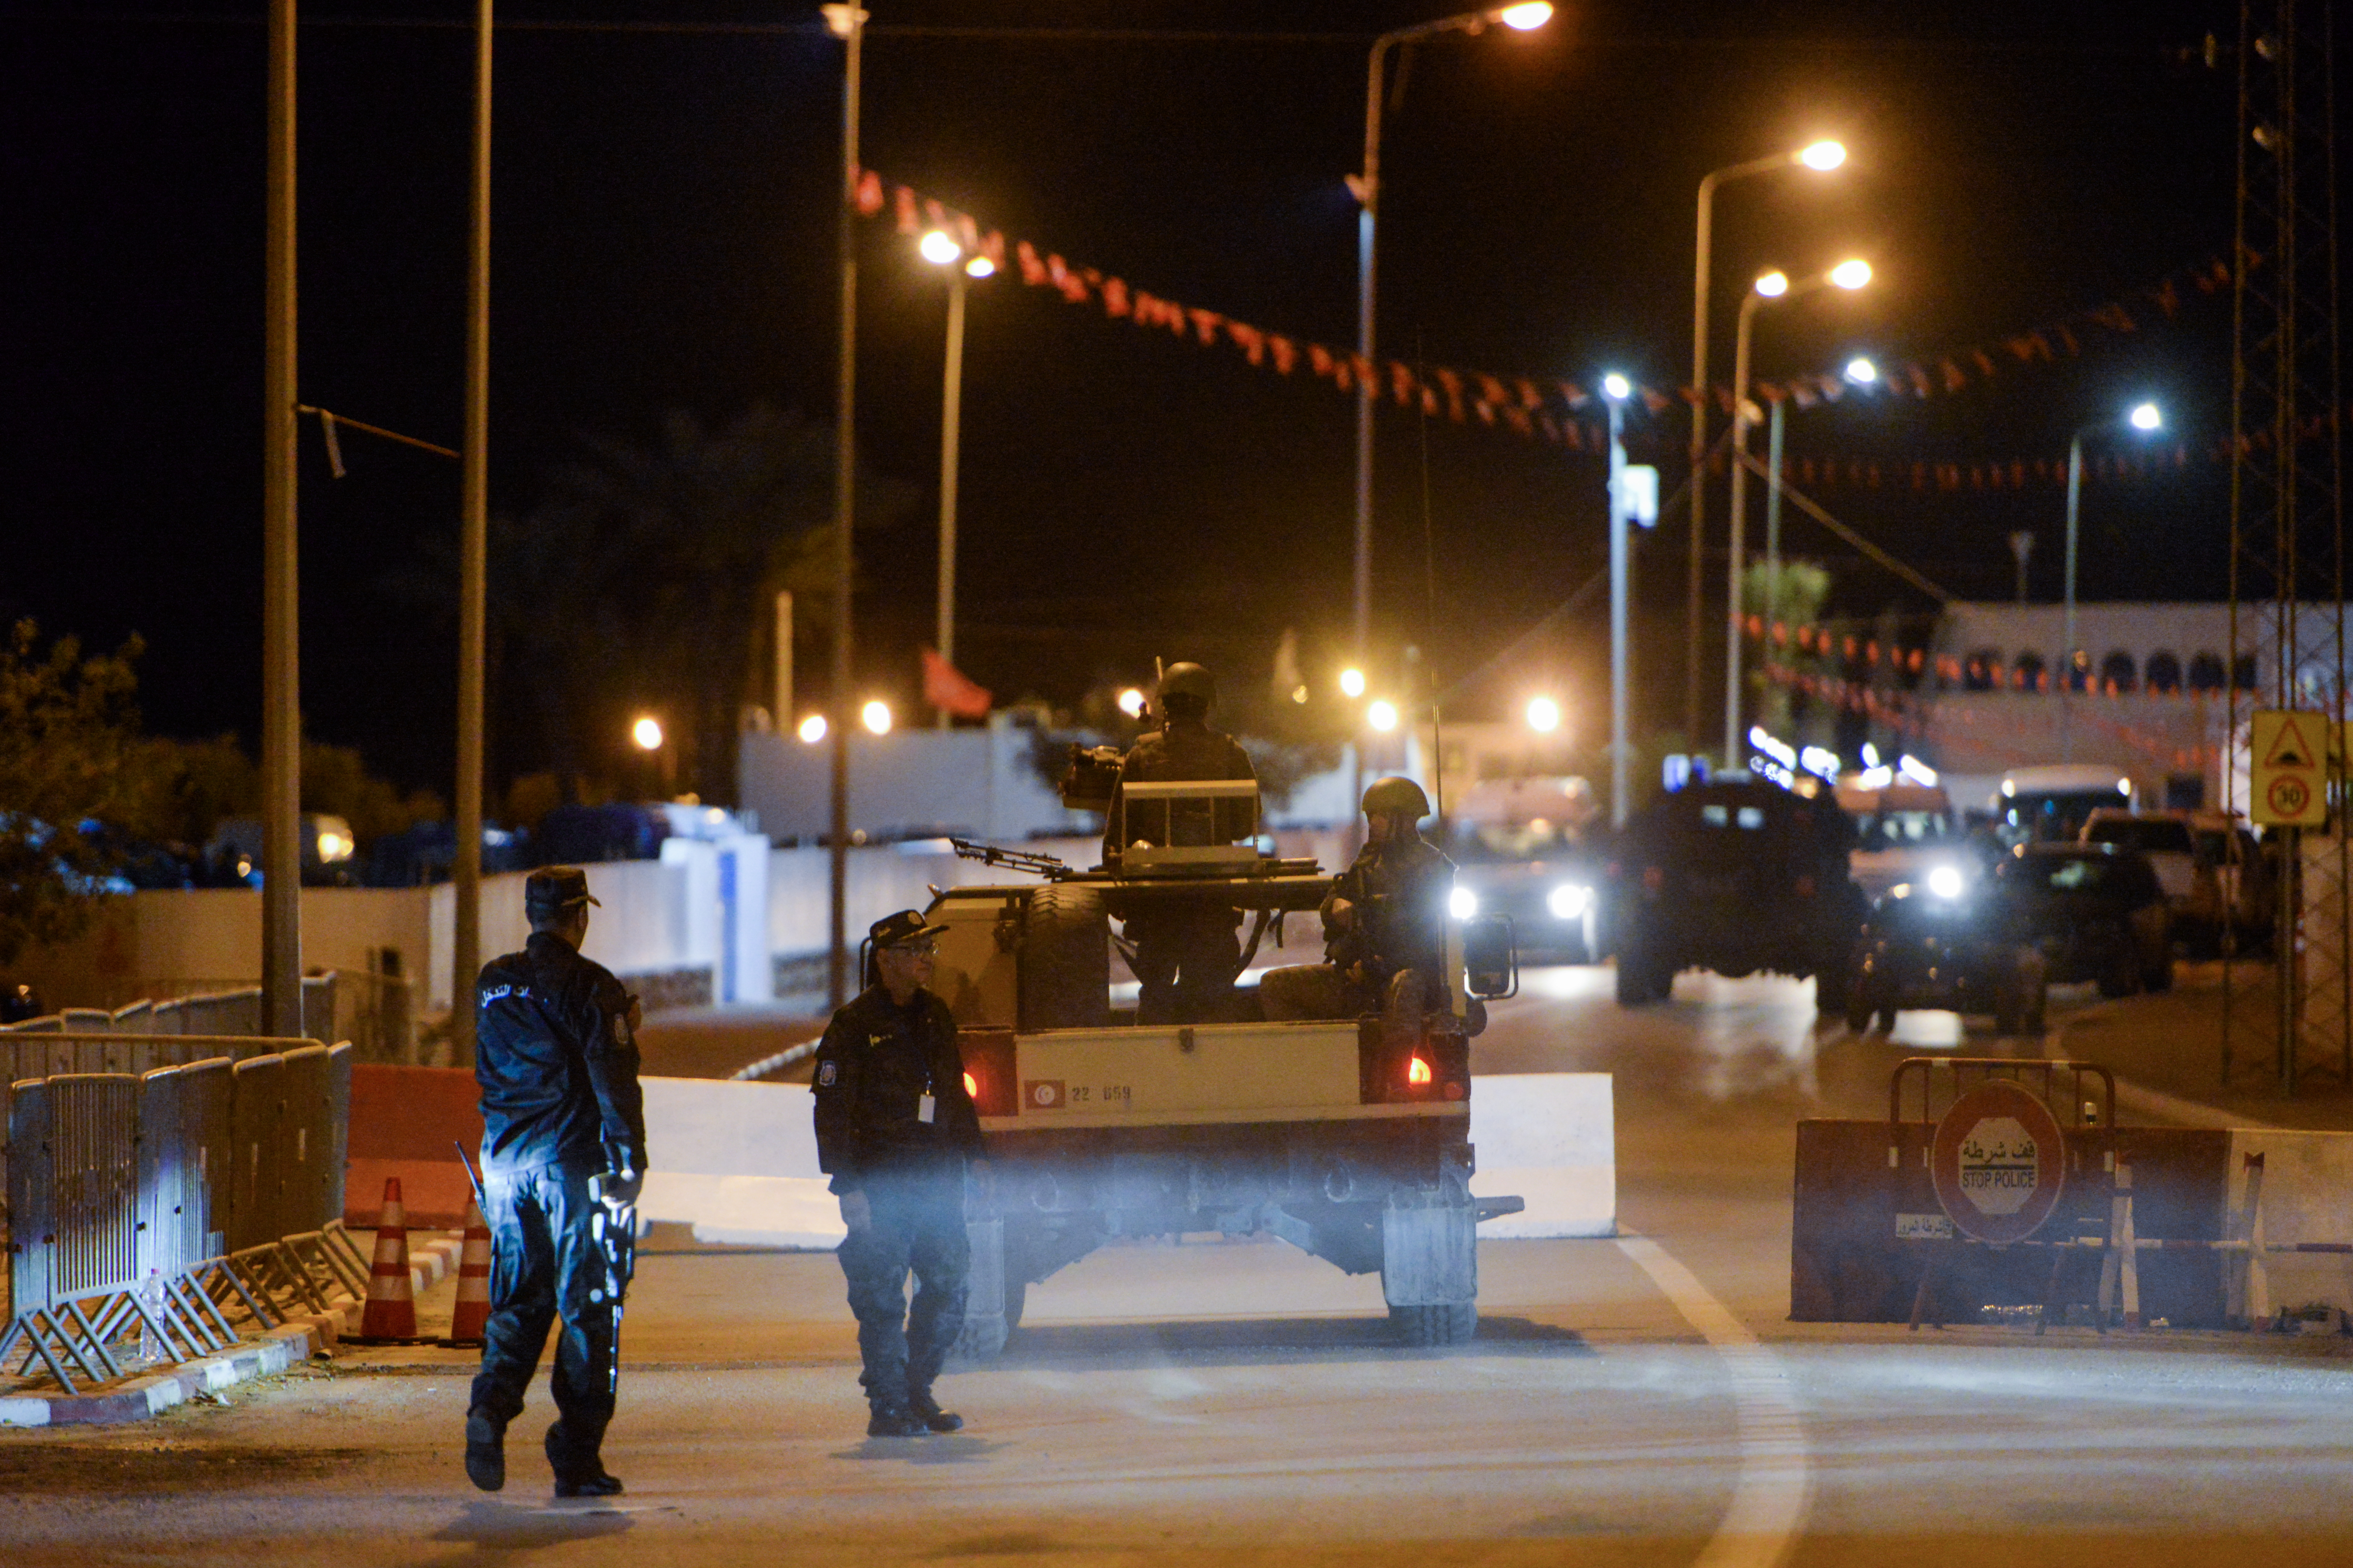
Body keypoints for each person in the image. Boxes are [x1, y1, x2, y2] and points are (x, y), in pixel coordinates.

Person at [464, 866, 645, 1498]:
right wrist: (630, 1162)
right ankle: (576, 1455)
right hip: (571, 1166)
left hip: (505, 1164)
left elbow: (500, 1064)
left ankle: (488, 1409)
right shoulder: (592, 986)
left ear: (529, 913)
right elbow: (611, 1079)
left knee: (518, 1302)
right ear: (580, 916)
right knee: (589, 1305)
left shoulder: (493, 982)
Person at [812, 910, 986, 1438]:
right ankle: (887, 1406)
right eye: (915, 951)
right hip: (882, 1181)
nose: (926, 960)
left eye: (929, 950)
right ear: (885, 959)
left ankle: (917, 1391)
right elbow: (832, 1110)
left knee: (950, 1281)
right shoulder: (854, 1025)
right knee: (882, 1298)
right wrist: (848, 1185)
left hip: (936, 1179)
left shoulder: (935, 1014)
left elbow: (955, 1093)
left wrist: (975, 1158)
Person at [1103, 661, 1258, 1024]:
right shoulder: (1231, 753)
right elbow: (1243, 824)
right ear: (1207, 705)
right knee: (1213, 1004)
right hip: (1213, 906)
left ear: (1164, 705)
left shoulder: (1141, 754)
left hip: (1158, 907)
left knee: (1155, 998)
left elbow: (1118, 834)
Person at [1260, 776, 1457, 1043]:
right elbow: (1334, 901)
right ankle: (1310, 1058)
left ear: (1405, 819)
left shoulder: (1433, 868)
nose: (1373, 822)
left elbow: (1427, 940)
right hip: (1358, 978)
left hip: (1404, 979)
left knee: (1408, 984)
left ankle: (1399, 1070)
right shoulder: (1367, 863)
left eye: (1382, 815)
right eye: (1371, 815)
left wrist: (1376, 966)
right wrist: (1336, 906)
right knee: (1276, 985)